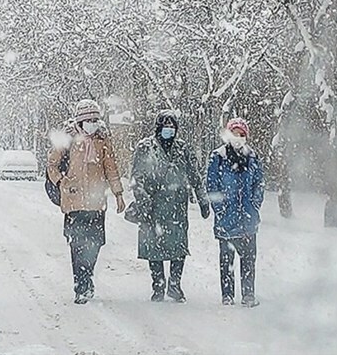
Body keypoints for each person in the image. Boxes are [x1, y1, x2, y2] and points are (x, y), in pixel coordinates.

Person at [47, 99, 125, 305]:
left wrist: (118, 194)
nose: (93, 123)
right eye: (89, 119)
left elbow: (111, 168)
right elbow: (52, 164)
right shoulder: (68, 139)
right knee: (77, 245)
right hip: (74, 203)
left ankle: (87, 275)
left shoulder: (102, 140)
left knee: (95, 243)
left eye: (95, 120)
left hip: (96, 202)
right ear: (81, 121)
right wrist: (62, 182)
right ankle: (80, 286)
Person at [131, 110, 210, 302]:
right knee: (153, 246)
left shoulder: (183, 148)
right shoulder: (145, 147)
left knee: (178, 247)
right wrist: (143, 198)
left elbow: (195, 176)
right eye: (165, 126)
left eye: (172, 127)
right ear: (158, 127)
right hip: (152, 206)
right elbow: (136, 178)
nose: (169, 130)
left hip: (176, 207)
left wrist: (203, 200)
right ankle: (158, 284)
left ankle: (175, 284)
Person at [206, 118, 264, 308]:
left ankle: (248, 294)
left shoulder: (253, 157)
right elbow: (212, 185)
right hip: (227, 219)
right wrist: (220, 209)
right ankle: (227, 294)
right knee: (226, 260)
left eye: (242, 134)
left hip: (248, 219)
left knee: (248, 259)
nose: (238, 138)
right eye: (235, 134)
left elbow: (259, 183)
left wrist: (254, 205)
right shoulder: (218, 157)